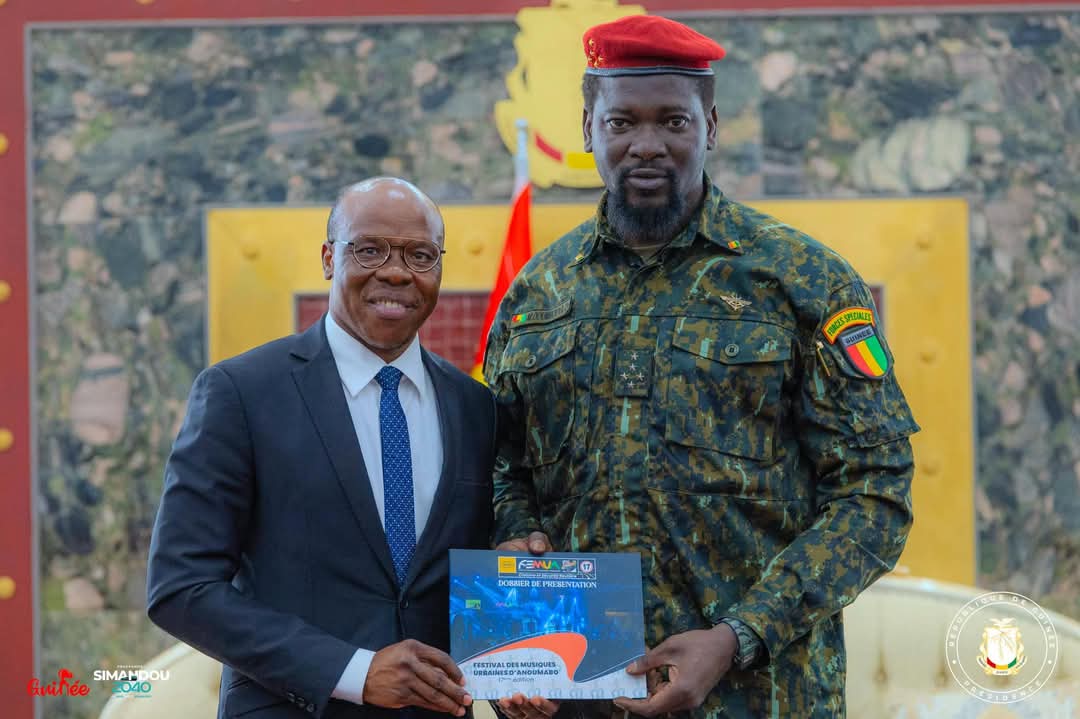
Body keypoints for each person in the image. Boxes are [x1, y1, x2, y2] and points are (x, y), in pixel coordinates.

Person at [483, 15, 918, 719]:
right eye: (621, 121)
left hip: (761, 696)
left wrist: (738, 636)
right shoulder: (538, 292)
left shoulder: (800, 278)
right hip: (577, 695)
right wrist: (515, 561)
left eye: (674, 122)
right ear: (589, 127)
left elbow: (875, 492)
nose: (646, 144)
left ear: (710, 127)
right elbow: (504, 465)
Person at [148, 177, 497, 719]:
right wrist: (353, 672)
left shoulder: (475, 407)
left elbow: (478, 575)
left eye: (420, 255)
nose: (396, 271)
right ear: (330, 259)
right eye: (370, 249)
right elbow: (180, 587)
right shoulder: (241, 393)